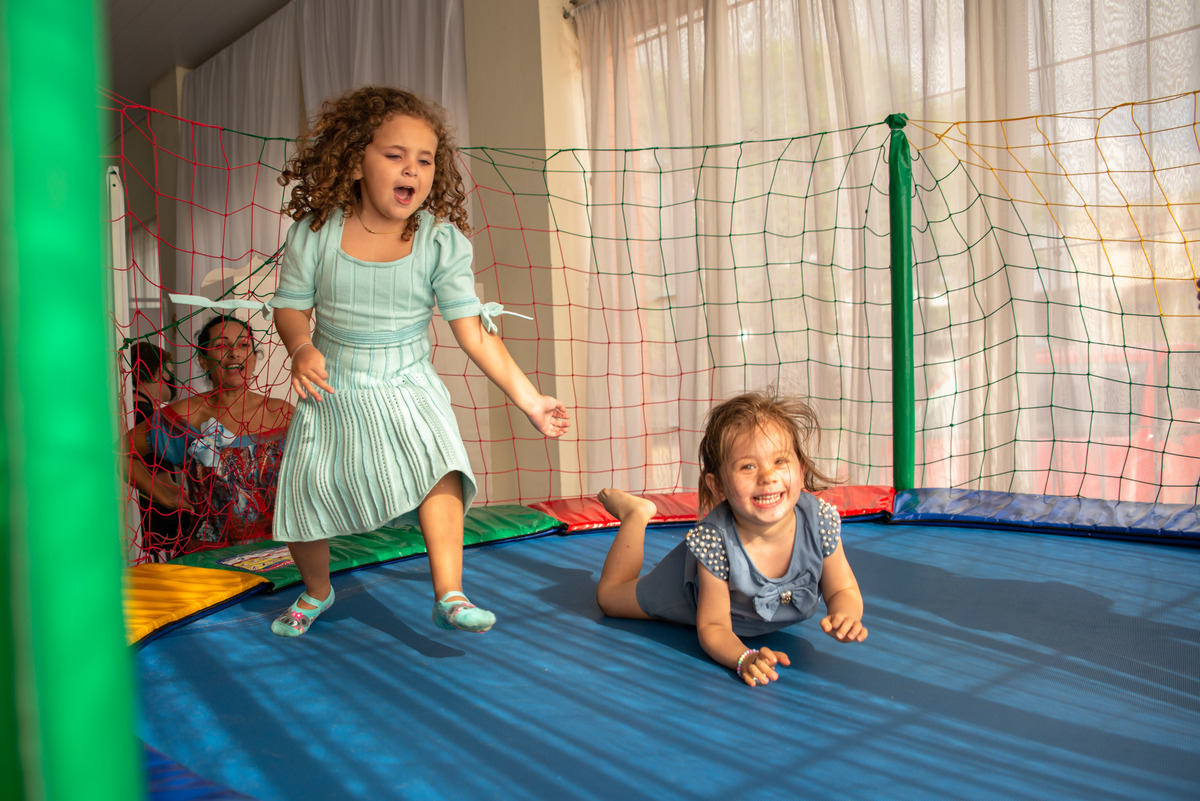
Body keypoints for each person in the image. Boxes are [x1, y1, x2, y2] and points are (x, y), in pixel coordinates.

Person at [268, 86, 570, 638]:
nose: (413, 169)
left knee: (442, 469)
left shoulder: (439, 241)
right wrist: (301, 346)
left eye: (425, 160)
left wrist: (531, 400)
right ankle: (318, 591)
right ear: (356, 160)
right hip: (334, 381)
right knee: (305, 492)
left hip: (408, 380)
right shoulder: (316, 232)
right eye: (395, 155)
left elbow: (475, 334)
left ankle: (449, 594)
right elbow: (290, 307)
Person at [595, 390, 867, 687]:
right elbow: (713, 625)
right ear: (719, 486)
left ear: (800, 470)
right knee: (610, 598)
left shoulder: (820, 522)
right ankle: (636, 515)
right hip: (686, 595)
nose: (768, 476)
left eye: (780, 461)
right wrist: (744, 657)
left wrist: (846, 614)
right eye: (748, 466)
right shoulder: (715, 541)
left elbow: (842, 589)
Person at [126, 315, 293, 561]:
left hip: (279, 555)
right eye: (222, 345)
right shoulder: (183, 418)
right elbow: (119, 453)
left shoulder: (283, 414)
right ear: (204, 361)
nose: (235, 354)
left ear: (255, 358)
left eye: (244, 345)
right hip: (208, 563)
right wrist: (162, 494)